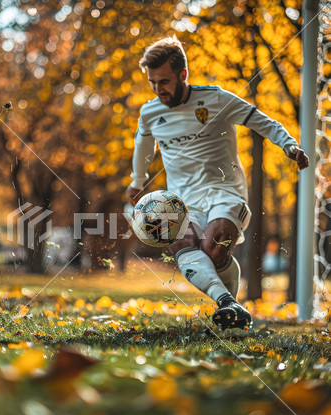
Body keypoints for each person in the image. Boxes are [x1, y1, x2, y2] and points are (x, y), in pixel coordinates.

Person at [127, 36, 309, 330]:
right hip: (181, 200)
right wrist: (137, 181)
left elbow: (261, 122)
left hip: (225, 192)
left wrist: (289, 146)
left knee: (214, 247)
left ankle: (230, 307)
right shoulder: (149, 112)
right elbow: (143, 148)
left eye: (163, 81)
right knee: (181, 243)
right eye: (152, 82)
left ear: (182, 75)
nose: (158, 89)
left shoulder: (216, 99)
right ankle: (228, 305)